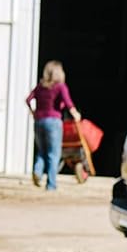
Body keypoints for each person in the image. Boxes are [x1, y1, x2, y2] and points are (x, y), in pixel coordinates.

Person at [25, 60, 80, 190]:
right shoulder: (60, 87)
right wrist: (75, 114)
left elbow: (28, 99)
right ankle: (51, 184)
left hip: (39, 121)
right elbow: (68, 102)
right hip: (53, 121)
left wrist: (33, 112)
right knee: (53, 154)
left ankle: (37, 171)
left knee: (41, 150)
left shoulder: (40, 87)